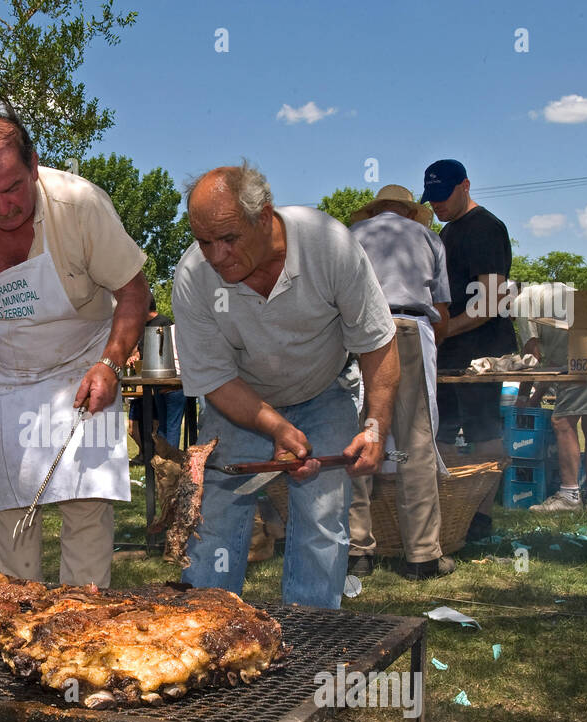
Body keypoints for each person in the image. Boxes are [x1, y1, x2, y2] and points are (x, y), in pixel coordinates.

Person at [0, 113, 148, 588]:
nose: (1, 206)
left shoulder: (80, 205)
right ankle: (19, 623)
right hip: (3, 378)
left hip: (82, 371)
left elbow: (135, 292)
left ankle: (82, 626)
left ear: (34, 165)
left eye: (12, 188)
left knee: (85, 506)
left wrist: (110, 362)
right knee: (12, 511)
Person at [172, 162, 398, 609]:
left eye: (229, 238)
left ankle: (309, 643)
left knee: (322, 520)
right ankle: (201, 634)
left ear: (264, 217)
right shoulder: (194, 277)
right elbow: (214, 379)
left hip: (323, 392)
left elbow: (378, 344)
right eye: (204, 241)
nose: (216, 256)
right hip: (238, 402)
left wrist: (375, 426)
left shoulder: (327, 245)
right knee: (214, 518)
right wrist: (276, 428)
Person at [346, 185, 454, 579]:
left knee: (358, 436)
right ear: (410, 211)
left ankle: (358, 550)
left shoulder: (352, 237)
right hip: (410, 326)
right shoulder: (429, 238)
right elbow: (441, 310)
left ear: (375, 210)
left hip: (360, 330)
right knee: (415, 443)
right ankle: (423, 555)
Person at [422, 159, 513, 540]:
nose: (437, 206)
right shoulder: (448, 232)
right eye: (432, 199)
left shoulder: (487, 228)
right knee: (439, 432)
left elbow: (491, 300)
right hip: (449, 351)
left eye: (444, 197)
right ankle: (446, 507)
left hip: (481, 351)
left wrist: (445, 330)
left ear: (466, 186)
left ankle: (482, 516)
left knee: (484, 430)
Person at [515, 283, 587, 513]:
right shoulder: (555, 292)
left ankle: (569, 495)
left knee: (562, 422)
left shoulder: (522, 301)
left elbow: (531, 357)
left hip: (586, 355)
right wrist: (536, 397)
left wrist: (524, 397)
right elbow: (552, 365)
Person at [127, 295, 185, 456]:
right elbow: (142, 351)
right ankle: (161, 461)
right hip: (155, 381)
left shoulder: (165, 324)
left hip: (173, 381)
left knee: (169, 425)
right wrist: (136, 356)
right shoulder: (143, 327)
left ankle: (170, 461)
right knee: (163, 426)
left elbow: (170, 355)